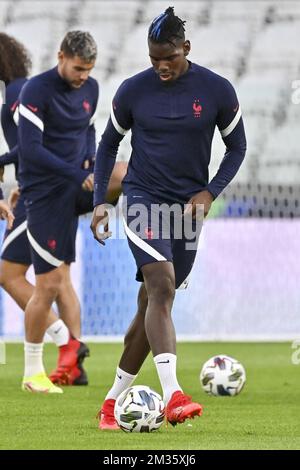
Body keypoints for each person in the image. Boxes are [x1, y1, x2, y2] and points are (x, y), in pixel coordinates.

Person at [91, 7, 247, 427]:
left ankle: (111, 405)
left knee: (151, 306)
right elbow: (108, 146)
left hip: (187, 211)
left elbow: (237, 149)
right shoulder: (132, 92)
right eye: (154, 58)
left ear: (186, 49)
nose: (161, 66)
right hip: (143, 198)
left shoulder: (217, 90)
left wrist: (210, 192)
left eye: (169, 58)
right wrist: (101, 203)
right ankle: (173, 394)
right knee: (161, 287)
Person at [16, 30, 126, 393]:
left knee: (125, 171)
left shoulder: (91, 89)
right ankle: (33, 372)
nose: (83, 76)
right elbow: (29, 151)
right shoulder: (35, 91)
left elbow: (88, 130)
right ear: (61, 56)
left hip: (76, 184)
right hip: (44, 192)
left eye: (89, 70)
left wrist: (94, 164)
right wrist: (79, 175)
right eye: (78, 68)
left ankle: (72, 366)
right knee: (49, 285)